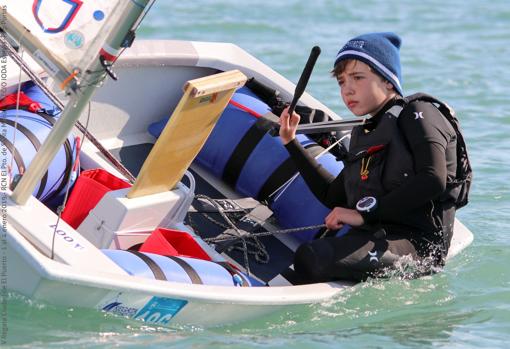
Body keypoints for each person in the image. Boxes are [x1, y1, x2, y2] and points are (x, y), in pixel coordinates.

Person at [279, 32, 459, 282]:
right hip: (378, 234)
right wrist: (290, 141)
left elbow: (433, 179)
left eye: (357, 78)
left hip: (420, 248)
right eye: (341, 82)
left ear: (388, 81)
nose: (347, 89)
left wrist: (363, 215)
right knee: (305, 258)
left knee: (311, 256)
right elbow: (333, 196)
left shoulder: (419, 114)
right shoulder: (367, 131)